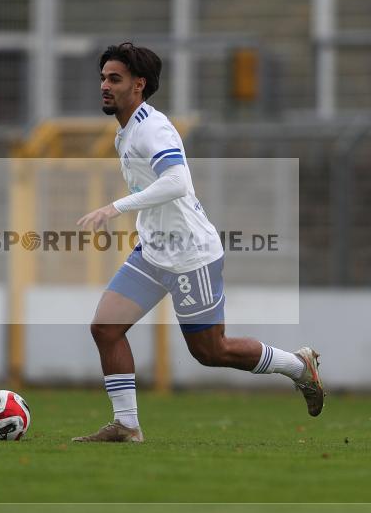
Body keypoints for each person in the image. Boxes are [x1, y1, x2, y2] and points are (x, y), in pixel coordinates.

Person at [72, 42, 323, 443]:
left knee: (211, 351)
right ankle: (127, 425)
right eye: (103, 78)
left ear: (138, 85)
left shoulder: (152, 128)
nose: (104, 85)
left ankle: (298, 366)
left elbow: (176, 182)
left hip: (191, 254)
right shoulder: (127, 131)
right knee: (105, 328)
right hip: (154, 251)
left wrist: (114, 208)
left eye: (114, 79)